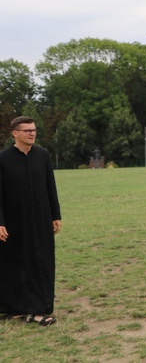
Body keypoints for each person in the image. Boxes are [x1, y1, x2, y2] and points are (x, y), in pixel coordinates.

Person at [0, 116, 62, 326]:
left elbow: (50, 187)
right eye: (27, 130)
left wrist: (56, 215)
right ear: (15, 133)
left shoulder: (43, 155)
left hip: (42, 219)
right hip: (13, 222)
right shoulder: (3, 159)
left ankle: (38, 310)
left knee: (41, 262)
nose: (32, 133)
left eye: (34, 130)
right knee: (13, 264)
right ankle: (15, 307)